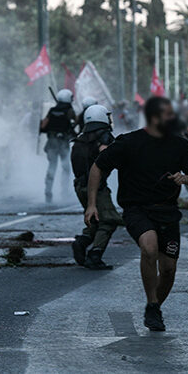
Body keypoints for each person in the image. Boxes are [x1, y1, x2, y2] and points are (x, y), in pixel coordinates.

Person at [86, 96, 188, 331]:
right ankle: (152, 303)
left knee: (169, 269)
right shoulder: (129, 142)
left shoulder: (179, 144)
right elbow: (98, 166)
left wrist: (186, 178)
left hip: (168, 212)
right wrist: (92, 204)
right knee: (149, 247)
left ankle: (154, 308)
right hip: (137, 209)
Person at [70, 105, 123, 270]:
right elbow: (107, 156)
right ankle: (95, 254)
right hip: (96, 188)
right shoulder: (104, 138)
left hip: (79, 186)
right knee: (109, 221)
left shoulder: (80, 138)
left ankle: (82, 242)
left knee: (95, 219)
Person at [40, 89, 76, 203]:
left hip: (52, 143)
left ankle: (48, 191)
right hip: (63, 143)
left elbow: (43, 126)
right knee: (65, 168)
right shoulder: (69, 110)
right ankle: (64, 192)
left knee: (52, 167)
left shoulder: (52, 111)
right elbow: (75, 122)